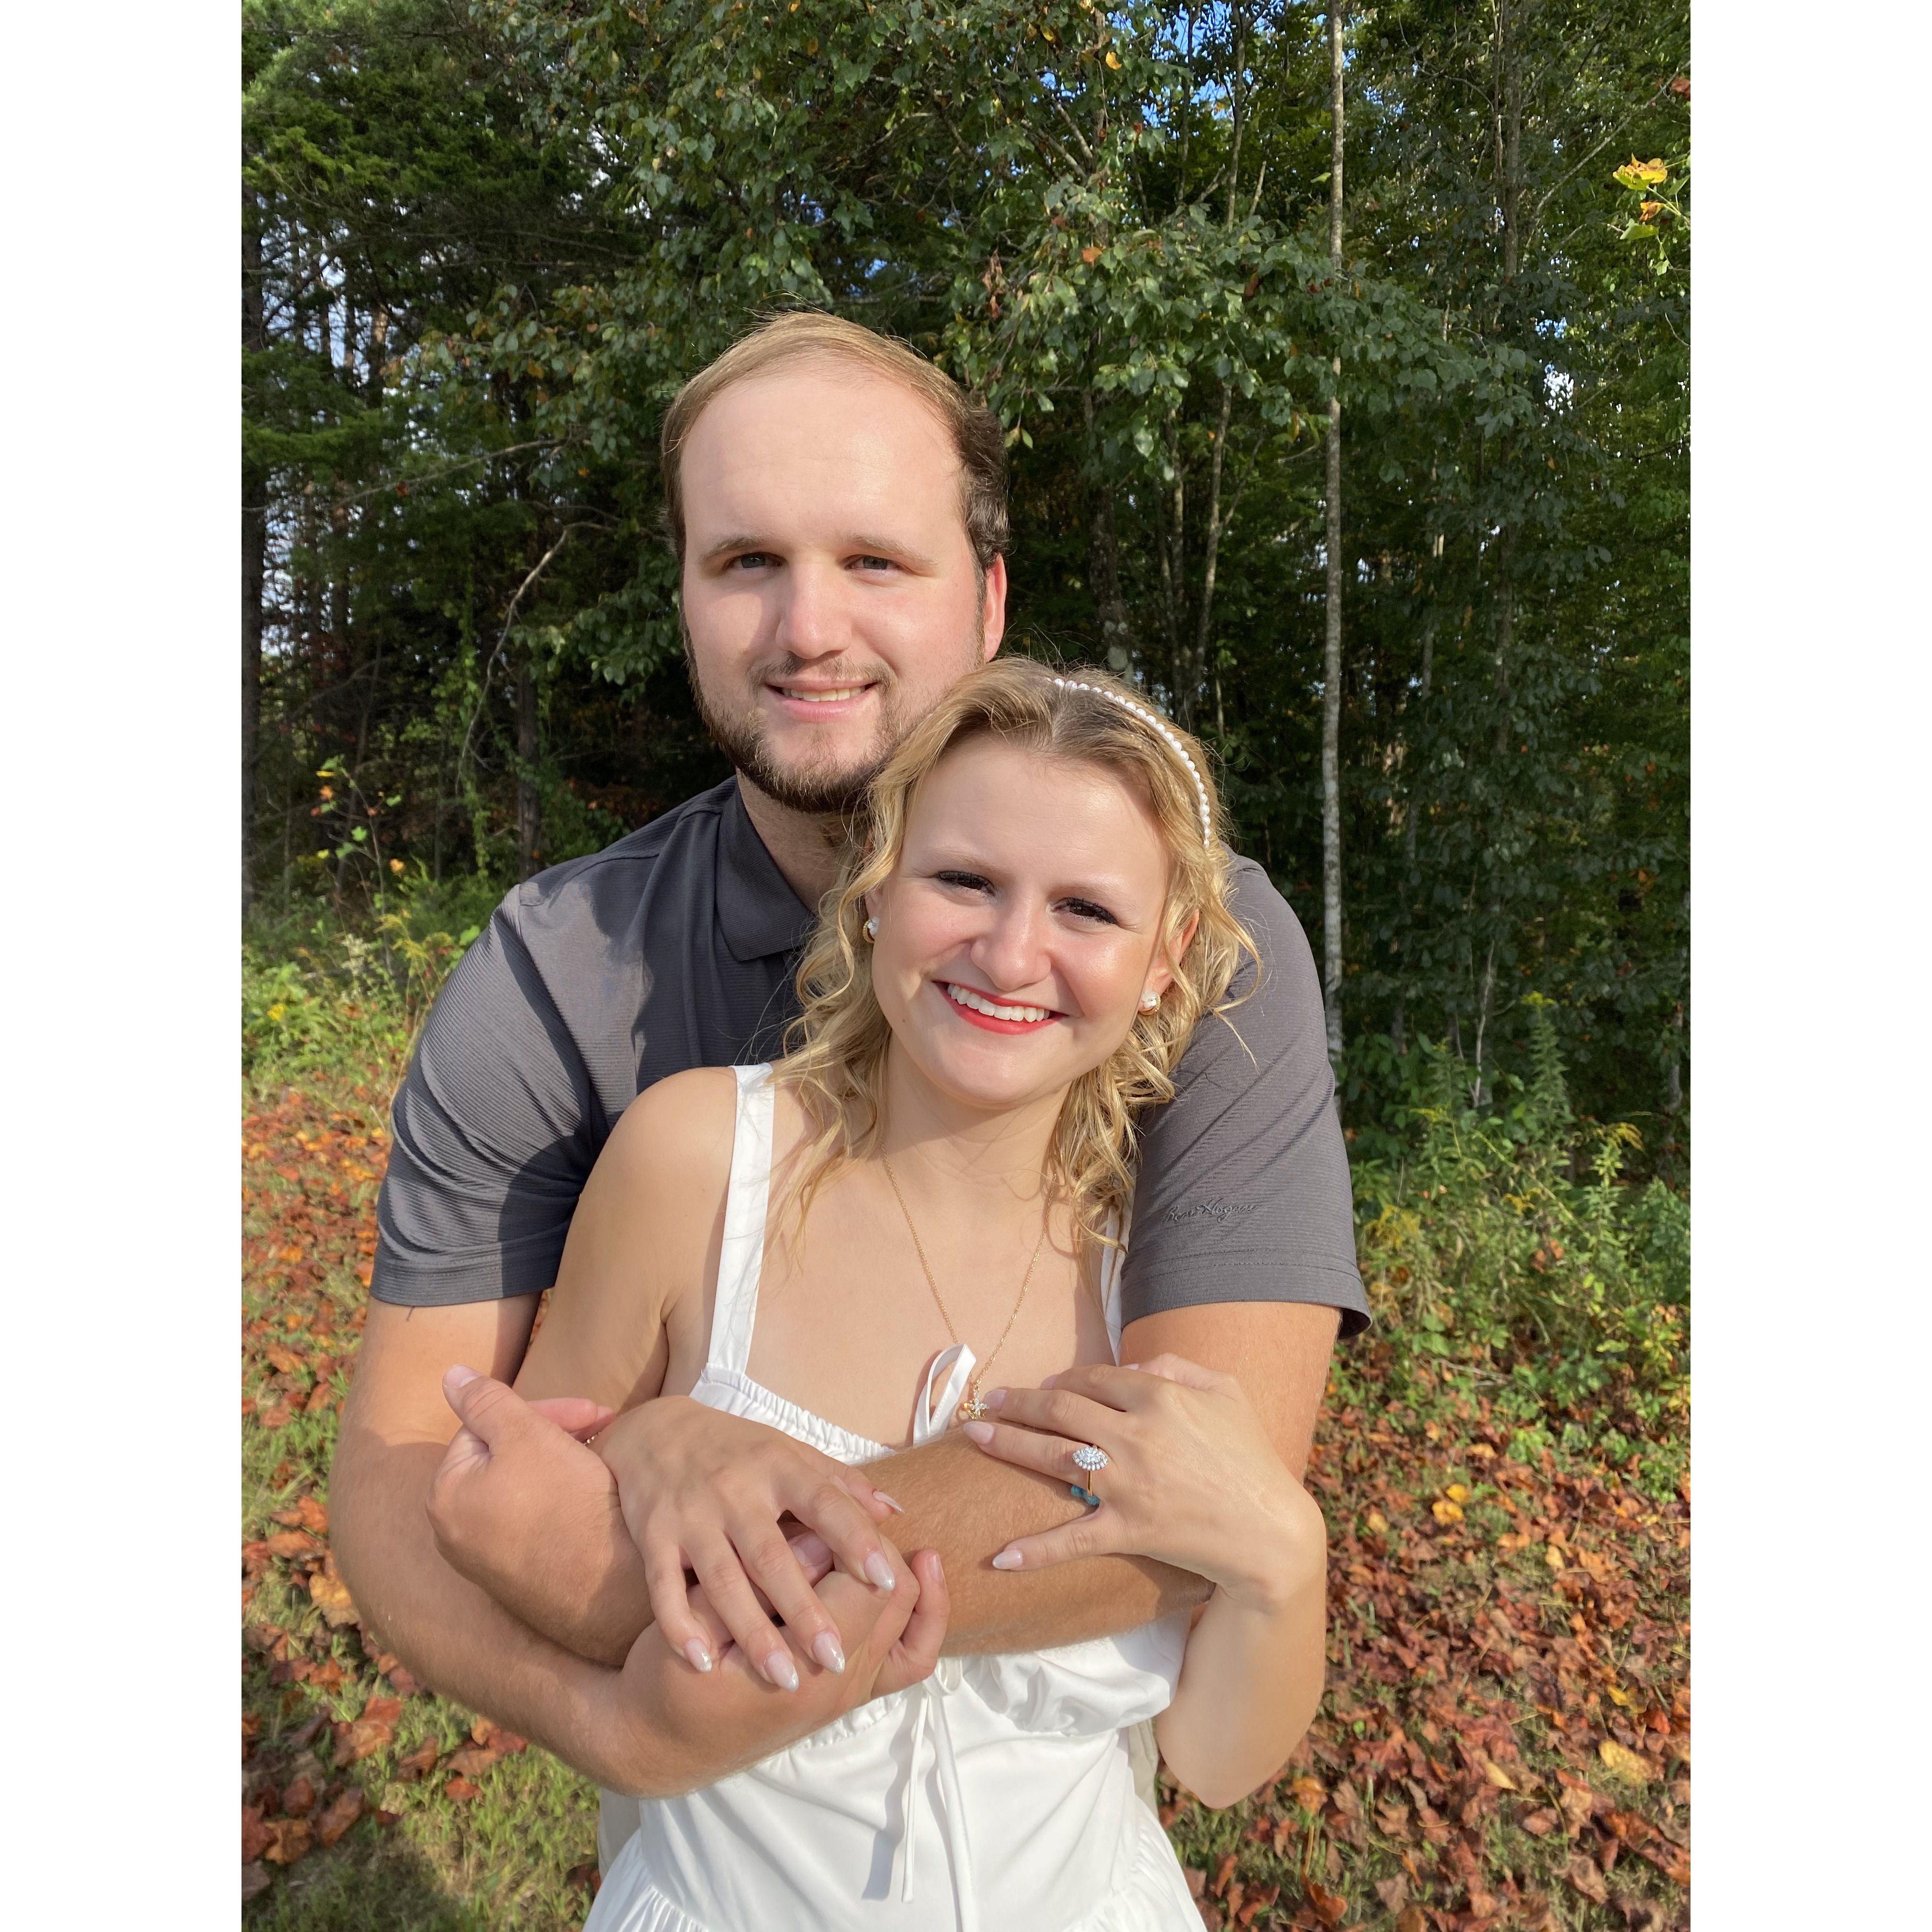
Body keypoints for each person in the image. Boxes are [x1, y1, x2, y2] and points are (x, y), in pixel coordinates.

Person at [329, 312, 1366, 1823]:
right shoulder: (560, 975)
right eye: (746, 560)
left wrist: (655, 1560)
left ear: (989, 597)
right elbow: (405, 1472)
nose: (809, 626)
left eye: (876, 560)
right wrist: (611, 1719)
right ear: (684, 596)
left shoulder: (1210, 949)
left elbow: (1212, 1483)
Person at [457, 659, 1329, 1930]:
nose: (1011, 953)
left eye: (1086, 909)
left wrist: (1286, 1562)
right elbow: (509, 1500)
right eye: (964, 881)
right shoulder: (696, 1163)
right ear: (877, 888)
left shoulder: (1158, 1270)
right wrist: (653, 1444)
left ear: (1166, 958)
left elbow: (1214, 1761)